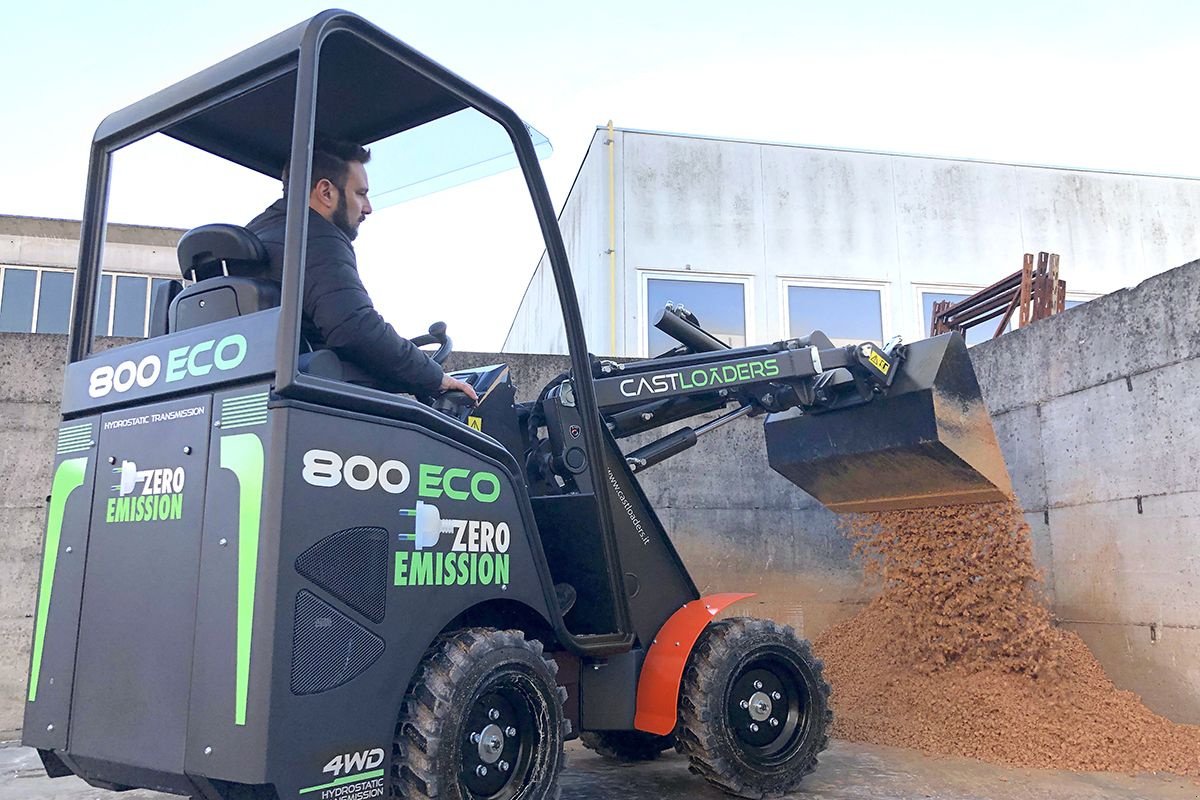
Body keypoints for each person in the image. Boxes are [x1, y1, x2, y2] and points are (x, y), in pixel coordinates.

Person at [246, 139, 477, 401]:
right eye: (360, 193)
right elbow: (355, 328)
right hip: (316, 404)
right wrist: (434, 377)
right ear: (326, 192)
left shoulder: (258, 234)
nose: (368, 207)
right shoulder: (315, 237)